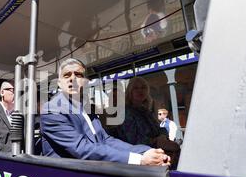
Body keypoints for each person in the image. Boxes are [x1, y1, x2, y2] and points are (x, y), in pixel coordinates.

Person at [40, 58, 170, 166]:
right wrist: (139, 160)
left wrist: (147, 151)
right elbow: (82, 149)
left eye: (78, 75)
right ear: (59, 83)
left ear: (86, 82)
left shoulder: (86, 108)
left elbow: (105, 140)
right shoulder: (52, 110)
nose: (72, 79)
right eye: (66, 75)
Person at [117, 77, 180, 168]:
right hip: (141, 156)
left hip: (156, 149)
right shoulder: (125, 112)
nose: (140, 91)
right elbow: (132, 141)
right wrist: (156, 141)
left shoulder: (146, 111)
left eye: (143, 87)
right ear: (130, 92)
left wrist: (162, 135)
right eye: (136, 88)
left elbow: (159, 129)